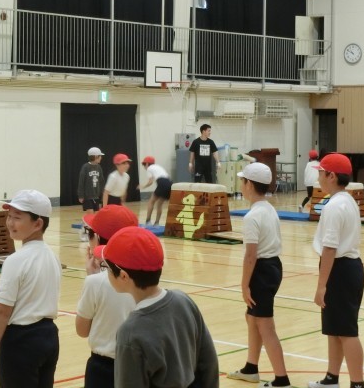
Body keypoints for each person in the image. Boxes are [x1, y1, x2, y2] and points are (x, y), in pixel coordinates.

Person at [95, 226, 219, 388]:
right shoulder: (184, 301)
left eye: (107, 268)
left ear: (124, 276)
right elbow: (209, 363)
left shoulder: (130, 332)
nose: (106, 272)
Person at [0, 189, 62, 388]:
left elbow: (2, 312)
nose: (10, 222)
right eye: (9, 216)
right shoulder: (53, 258)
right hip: (49, 337)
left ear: (38, 224)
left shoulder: (15, 260)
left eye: (17, 217)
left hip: (21, 342)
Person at [227, 163, 291, 388]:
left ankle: (281, 379)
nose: (241, 184)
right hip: (273, 267)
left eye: (243, 180)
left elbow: (251, 256)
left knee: (265, 326)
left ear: (249, 185)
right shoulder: (269, 208)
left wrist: (244, 285)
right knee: (252, 318)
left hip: (262, 271)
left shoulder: (252, 216)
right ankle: (251, 368)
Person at [309, 153, 364, 388]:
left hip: (341, 271)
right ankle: (331, 378)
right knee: (335, 329)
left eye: (321, 173)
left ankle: (357, 384)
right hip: (346, 269)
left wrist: (321, 286)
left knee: (347, 332)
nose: (318, 178)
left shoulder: (334, 206)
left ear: (331, 176)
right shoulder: (347, 200)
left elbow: (330, 248)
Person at [75, 205, 138, 388]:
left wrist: (92, 278)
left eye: (90, 234)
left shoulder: (95, 282)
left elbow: (82, 330)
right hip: (139, 366)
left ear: (98, 239)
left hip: (104, 369)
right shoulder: (146, 280)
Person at [77, 147, 106, 241]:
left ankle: (91, 233)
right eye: (100, 156)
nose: (101, 158)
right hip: (87, 196)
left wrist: (103, 192)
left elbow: (101, 181)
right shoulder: (85, 167)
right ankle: (84, 232)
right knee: (90, 216)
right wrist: (81, 195)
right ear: (96, 156)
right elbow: (81, 181)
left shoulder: (99, 167)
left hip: (96, 196)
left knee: (95, 217)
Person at [137, 156, 172, 227]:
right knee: (159, 204)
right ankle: (156, 223)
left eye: (144, 164)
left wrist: (142, 186)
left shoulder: (149, 168)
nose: (144, 166)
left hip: (162, 183)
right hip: (170, 184)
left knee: (151, 202)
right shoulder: (158, 167)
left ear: (147, 164)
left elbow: (150, 182)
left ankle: (148, 222)